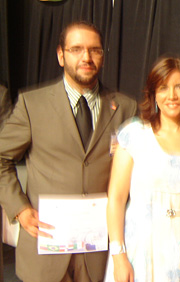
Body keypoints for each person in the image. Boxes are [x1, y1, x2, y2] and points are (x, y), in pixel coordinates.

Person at [0, 21, 137, 282]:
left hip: (101, 251)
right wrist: (19, 208)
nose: (86, 57)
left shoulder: (125, 107)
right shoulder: (32, 104)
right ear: (61, 55)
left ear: (102, 56)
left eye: (94, 50)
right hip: (46, 249)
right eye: (76, 49)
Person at [104, 57, 180, 282]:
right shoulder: (133, 134)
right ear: (153, 94)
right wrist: (119, 256)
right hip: (141, 250)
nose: (172, 96)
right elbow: (116, 198)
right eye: (163, 88)